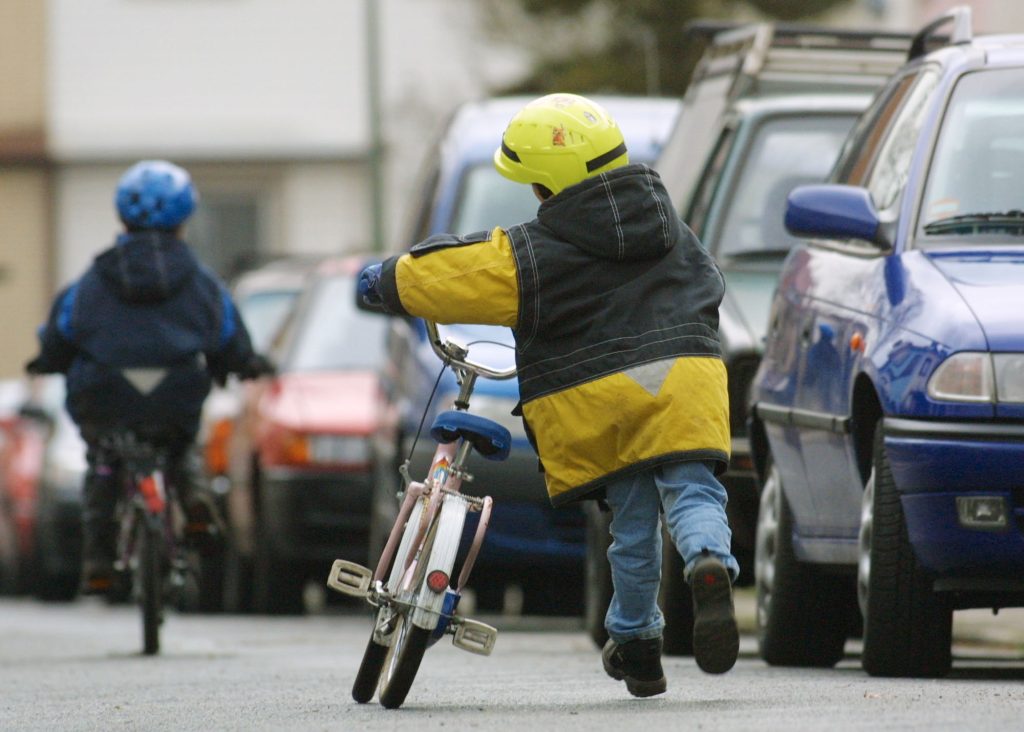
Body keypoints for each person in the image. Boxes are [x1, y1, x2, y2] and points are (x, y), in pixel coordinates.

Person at [358, 93, 739, 696]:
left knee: (632, 525)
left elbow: (463, 273)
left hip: (603, 398)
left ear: (546, 185)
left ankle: (639, 644)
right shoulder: (672, 227)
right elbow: (711, 285)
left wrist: (385, 282)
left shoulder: (534, 252)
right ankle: (707, 561)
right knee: (692, 491)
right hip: (685, 378)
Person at [26, 160, 273, 595]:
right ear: (184, 219)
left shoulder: (91, 281)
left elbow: (62, 334)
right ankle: (193, 495)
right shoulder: (203, 283)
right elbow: (227, 335)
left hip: (107, 395)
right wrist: (245, 363)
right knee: (179, 445)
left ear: (122, 216)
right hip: (176, 393)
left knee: (103, 459)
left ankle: (98, 558)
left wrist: (47, 361)